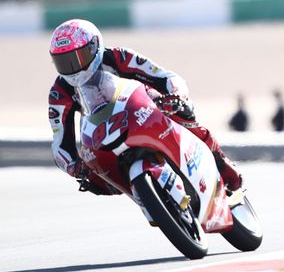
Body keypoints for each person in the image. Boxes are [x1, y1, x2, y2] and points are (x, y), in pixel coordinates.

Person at [48, 19, 242, 196]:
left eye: (78, 57)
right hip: (101, 133)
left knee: (182, 112)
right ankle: (145, 195)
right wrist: (74, 167)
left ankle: (219, 160)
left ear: (94, 47)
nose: (73, 68)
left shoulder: (119, 57)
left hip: (140, 111)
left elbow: (165, 77)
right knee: (95, 181)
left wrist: (176, 97)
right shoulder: (59, 93)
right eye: (63, 62)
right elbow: (59, 143)